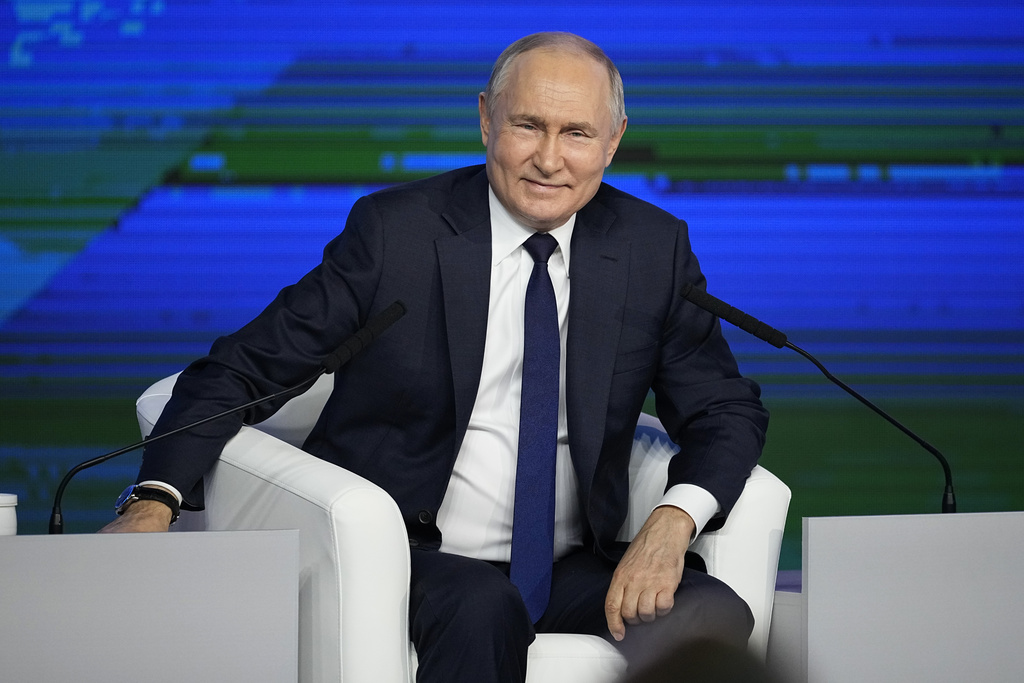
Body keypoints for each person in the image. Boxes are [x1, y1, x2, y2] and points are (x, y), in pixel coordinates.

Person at [101, 31, 769, 682]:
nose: (549, 159)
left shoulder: (651, 248)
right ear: (485, 120)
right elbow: (243, 369)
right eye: (528, 126)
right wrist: (154, 500)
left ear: (613, 140)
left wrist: (672, 520)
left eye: (577, 133)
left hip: (571, 564)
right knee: (484, 608)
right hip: (412, 554)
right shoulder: (396, 234)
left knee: (708, 613)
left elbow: (725, 409)